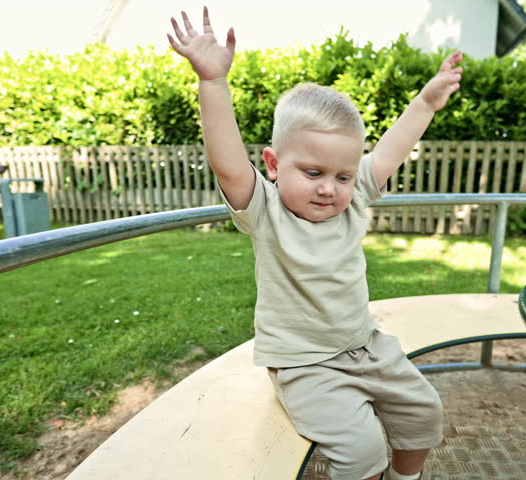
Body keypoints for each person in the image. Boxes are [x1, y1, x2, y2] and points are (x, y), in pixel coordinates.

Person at [168, 7, 463, 480]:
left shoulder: (354, 199)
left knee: (425, 413)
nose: (329, 188)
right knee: (362, 451)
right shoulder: (265, 212)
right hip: (305, 366)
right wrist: (212, 83)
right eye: (313, 173)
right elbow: (226, 164)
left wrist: (425, 103)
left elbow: (392, 147)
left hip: (367, 347)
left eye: (342, 175)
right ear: (272, 163)